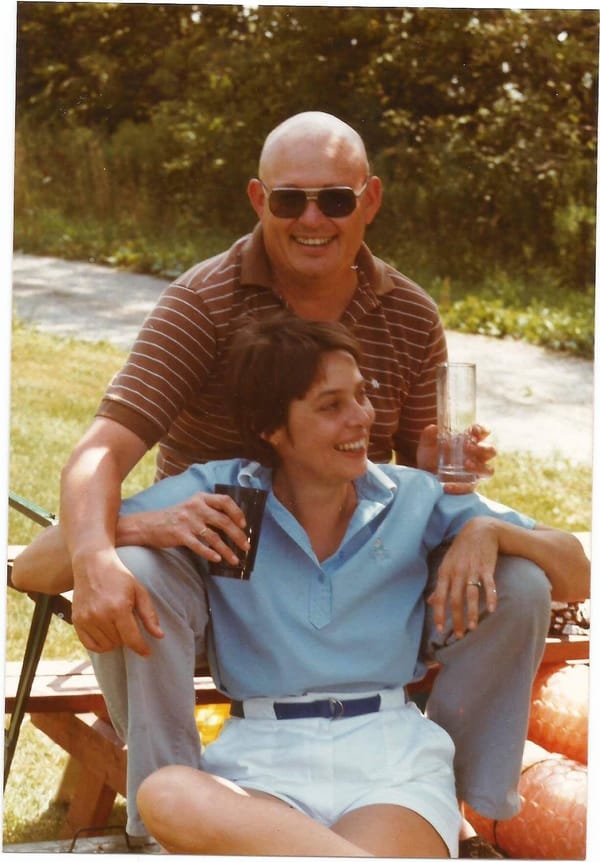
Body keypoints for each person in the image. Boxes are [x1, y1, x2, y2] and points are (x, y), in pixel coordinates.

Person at [12, 112, 556, 845]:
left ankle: (443, 792)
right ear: (256, 198)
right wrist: (112, 542)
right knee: (130, 564)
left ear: (370, 199)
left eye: (333, 199)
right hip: (217, 559)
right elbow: (98, 455)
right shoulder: (203, 303)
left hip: (357, 576)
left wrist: (460, 500)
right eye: (288, 200)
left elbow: (413, 473)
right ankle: (175, 808)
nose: (311, 218)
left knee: (517, 581)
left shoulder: (408, 311)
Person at [13, 313, 590, 858]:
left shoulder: (412, 496)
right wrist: (142, 525)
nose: (361, 417)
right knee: (165, 793)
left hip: (389, 760)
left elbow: (576, 573)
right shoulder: (224, 494)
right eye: (331, 406)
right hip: (258, 762)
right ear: (272, 430)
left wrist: (488, 528)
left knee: (523, 573)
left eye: (361, 395)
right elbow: (31, 569)